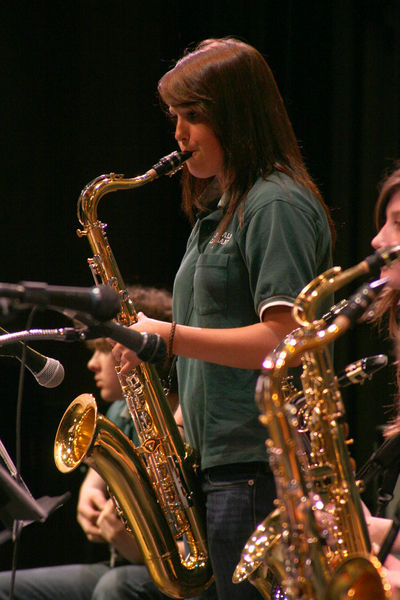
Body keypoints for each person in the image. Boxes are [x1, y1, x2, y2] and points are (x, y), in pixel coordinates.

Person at [111, 38, 334, 599]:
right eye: (174, 118)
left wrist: (166, 337)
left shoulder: (274, 203)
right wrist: (180, 418)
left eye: (193, 116)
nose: (179, 135)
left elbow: (285, 339)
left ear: (234, 113)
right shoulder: (220, 209)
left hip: (260, 471)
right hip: (223, 468)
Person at [0, 285, 196, 600]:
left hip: (175, 570)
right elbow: (95, 480)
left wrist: (140, 547)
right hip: (119, 564)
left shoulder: (191, 415)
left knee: (113, 589)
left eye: (102, 350)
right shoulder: (121, 410)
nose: (91, 365)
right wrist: (89, 498)